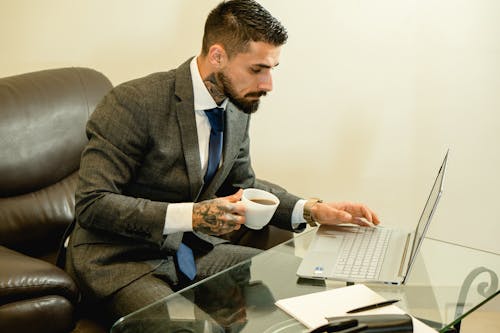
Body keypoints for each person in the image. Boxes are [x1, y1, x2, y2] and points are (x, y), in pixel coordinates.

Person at [65, 0, 380, 323]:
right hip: (121, 260)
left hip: (189, 251)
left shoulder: (235, 107)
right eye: (257, 69)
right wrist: (193, 215)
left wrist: (312, 209)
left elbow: (243, 185)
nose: (267, 85)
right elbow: (93, 204)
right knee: (183, 328)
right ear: (217, 56)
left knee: (301, 281)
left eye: (271, 69)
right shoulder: (133, 103)